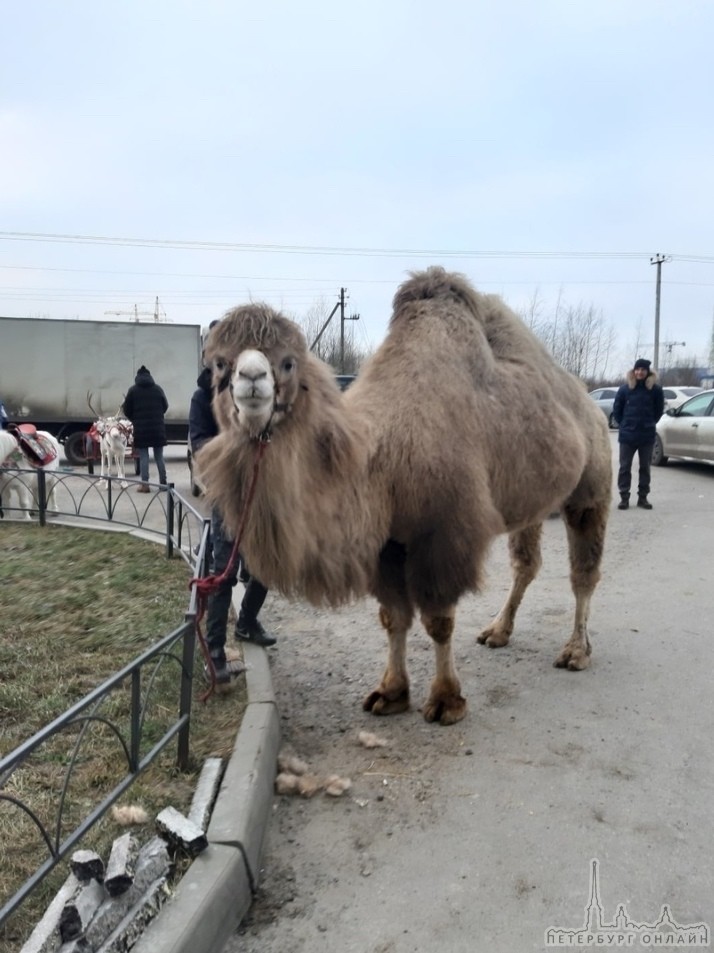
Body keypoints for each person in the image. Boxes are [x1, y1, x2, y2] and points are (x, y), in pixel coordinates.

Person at [189, 364, 276, 684]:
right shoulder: (202, 398)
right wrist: (238, 445)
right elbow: (199, 444)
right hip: (226, 495)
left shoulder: (264, 393)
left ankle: (248, 621)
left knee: (267, 566)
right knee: (223, 572)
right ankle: (214, 652)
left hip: (262, 495)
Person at [612, 357, 665, 511]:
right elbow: (617, 411)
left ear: (647, 372)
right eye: (637, 369)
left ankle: (643, 498)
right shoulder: (624, 389)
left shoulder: (655, 390)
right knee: (624, 468)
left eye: (642, 370)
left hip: (646, 436)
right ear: (634, 371)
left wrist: (649, 423)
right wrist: (625, 424)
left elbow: (658, 411)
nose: (640, 372)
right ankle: (624, 498)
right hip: (627, 436)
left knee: (645, 468)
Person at [122, 365, 169, 492]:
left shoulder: (133, 390)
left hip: (141, 429)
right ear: (150, 377)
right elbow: (165, 406)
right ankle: (163, 483)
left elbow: (126, 409)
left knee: (144, 456)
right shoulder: (158, 389)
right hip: (157, 428)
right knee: (159, 456)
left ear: (137, 377)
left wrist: (135, 419)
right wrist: (157, 415)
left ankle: (145, 485)